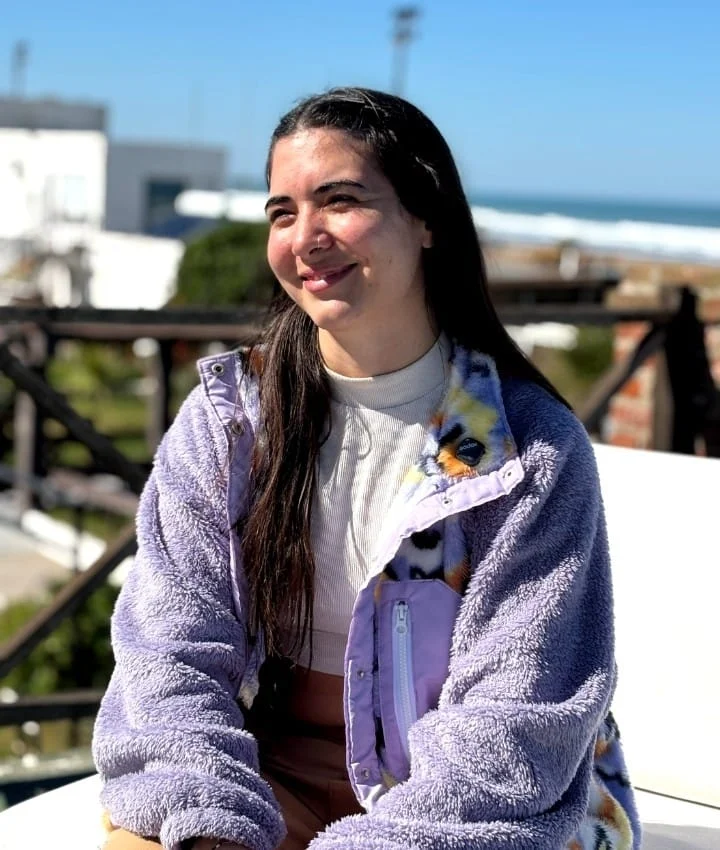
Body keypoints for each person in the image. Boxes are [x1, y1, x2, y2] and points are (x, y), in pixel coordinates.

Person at [93, 87, 640, 850]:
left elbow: (516, 725)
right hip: (261, 773)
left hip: (458, 808)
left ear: (427, 220)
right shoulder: (230, 421)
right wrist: (213, 826)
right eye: (282, 212)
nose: (305, 237)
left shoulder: (530, 450)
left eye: (340, 201)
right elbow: (167, 656)